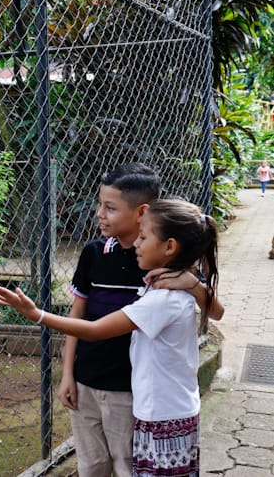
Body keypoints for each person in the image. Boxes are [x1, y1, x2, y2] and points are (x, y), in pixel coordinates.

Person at [0, 198, 219, 476]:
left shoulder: (164, 300)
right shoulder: (170, 283)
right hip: (169, 409)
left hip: (163, 415)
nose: (137, 243)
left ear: (169, 247)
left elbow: (96, 329)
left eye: (144, 237)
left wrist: (36, 314)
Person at [39, 163, 224, 477]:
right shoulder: (95, 253)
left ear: (142, 212)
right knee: (92, 464)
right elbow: (78, 312)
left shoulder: (162, 259)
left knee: (129, 465)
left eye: (110, 207)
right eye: (100, 204)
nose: (99, 213)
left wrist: (192, 284)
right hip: (87, 380)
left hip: (131, 392)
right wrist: (67, 373)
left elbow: (216, 311)